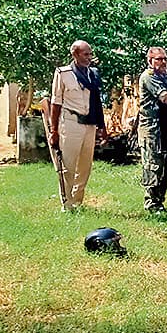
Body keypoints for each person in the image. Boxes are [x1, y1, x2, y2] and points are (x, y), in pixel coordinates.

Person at [48, 40, 105, 211]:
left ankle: (78, 201)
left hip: (89, 124)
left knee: (85, 166)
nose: (89, 57)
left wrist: (102, 127)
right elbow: (55, 103)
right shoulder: (63, 73)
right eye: (85, 54)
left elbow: (97, 102)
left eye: (90, 54)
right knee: (68, 165)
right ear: (75, 54)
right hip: (71, 122)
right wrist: (54, 130)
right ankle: (67, 203)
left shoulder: (93, 74)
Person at [138, 47, 167, 213]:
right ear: (150, 61)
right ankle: (151, 203)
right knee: (153, 166)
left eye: (164, 58)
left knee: (165, 167)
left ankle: (160, 200)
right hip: (152, 129)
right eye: (159, 59)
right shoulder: (148, 77)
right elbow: (166, 97)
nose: (163, 62)